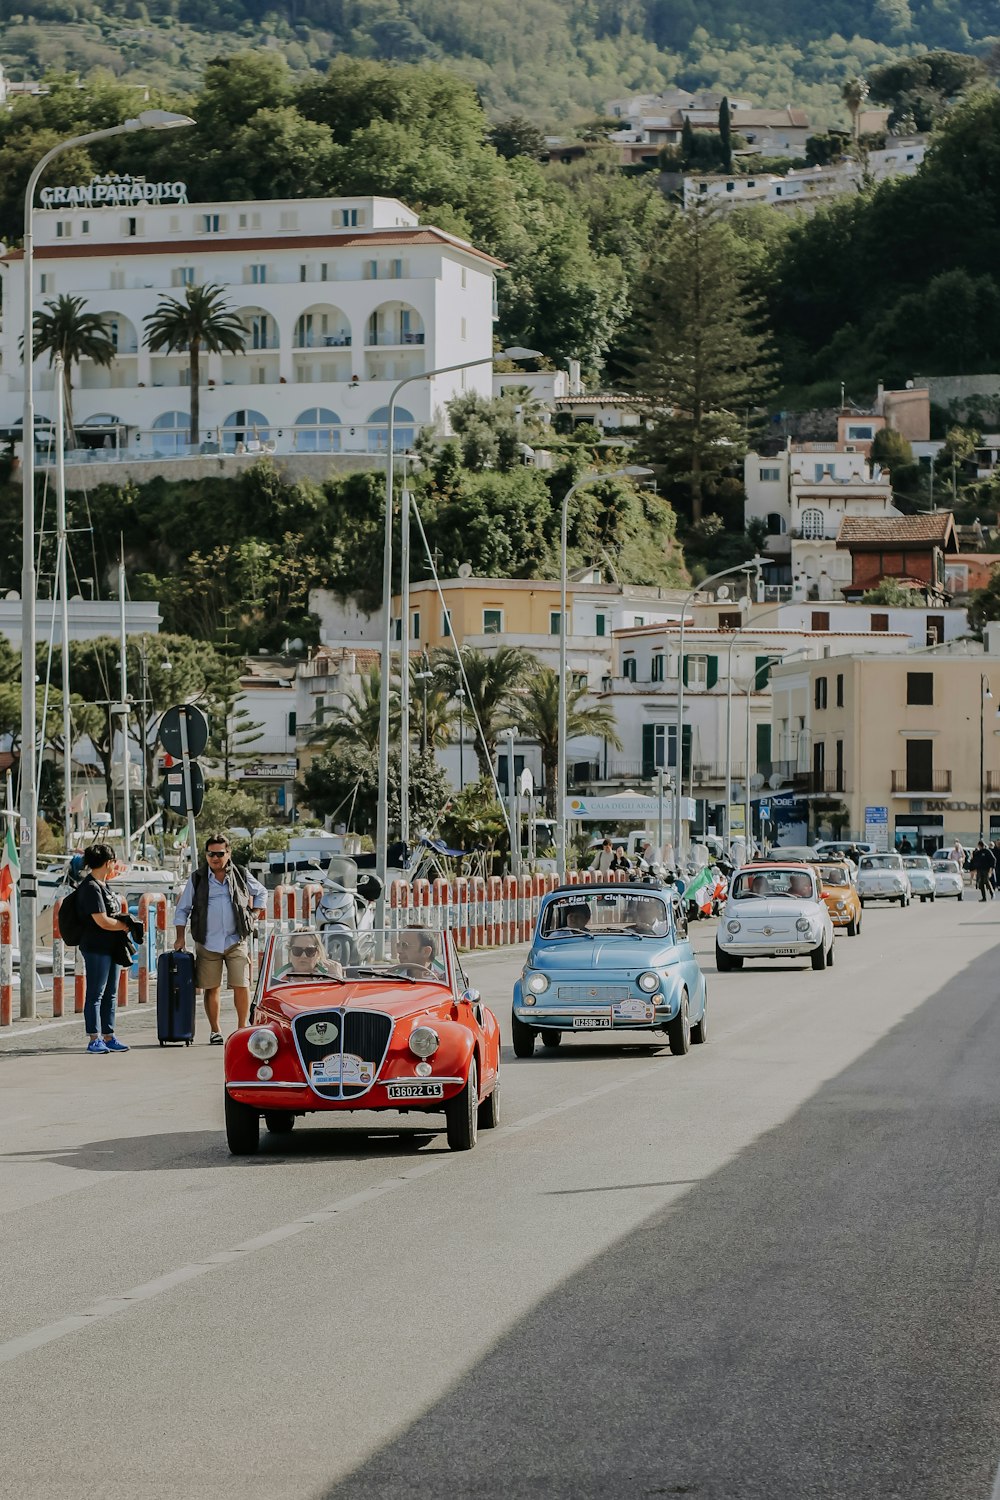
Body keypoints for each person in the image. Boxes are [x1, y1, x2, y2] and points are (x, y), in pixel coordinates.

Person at [173, 834, 267, 1043]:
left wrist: (255, 913)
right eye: (211, 854)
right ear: (206, 855)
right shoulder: (197, 878)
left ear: (228, 853)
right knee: (211, 986)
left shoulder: (241, 873)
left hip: (236, 939)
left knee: (242, 984)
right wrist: (180, 938)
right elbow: (182, 910)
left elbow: (261, 892)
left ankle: (242, 1029)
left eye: (219, 854)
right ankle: (216, 1031)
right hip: (207, 941)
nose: (215, 858)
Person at [77, 843, 134, 1054]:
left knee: (110, 993)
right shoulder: (91, 887)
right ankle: (94, 1038)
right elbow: (102, 921)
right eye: (114, 861)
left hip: (111, 947)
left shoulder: (103, 885)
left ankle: (109, 1035)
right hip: (96, 947)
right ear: (108, 862)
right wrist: (126, 926)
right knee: (96, 993)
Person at [273, 929, 342, 981]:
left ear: (318, 954)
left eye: (310, 951)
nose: (303, 956)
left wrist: (338, 980)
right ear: (290, 952)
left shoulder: (330, 976)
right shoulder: (277, 980)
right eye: (297, 950)